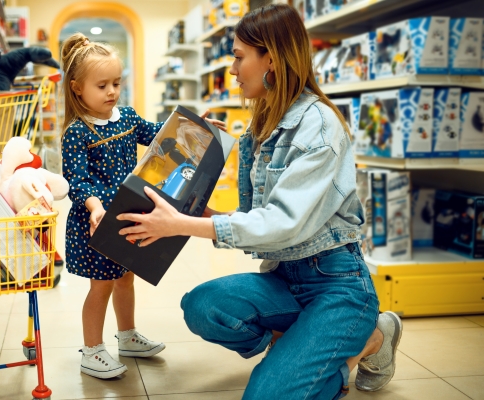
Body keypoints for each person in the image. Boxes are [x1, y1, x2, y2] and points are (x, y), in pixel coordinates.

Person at [116, 4, 402, 399]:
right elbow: (257, 219)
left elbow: (283, 223)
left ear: (272, 57)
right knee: (203, 306)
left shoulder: (318, 127)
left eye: (237, 57)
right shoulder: (261, 128)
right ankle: (299, 341)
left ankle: (369, 339)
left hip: (337, 284)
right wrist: (195, 212)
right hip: (285, 276)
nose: (231, 69)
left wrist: (183, 225)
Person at [59, 32, 225, 380]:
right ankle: (91, 350)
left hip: (126, 213)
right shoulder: (78, 132)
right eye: (101, 85)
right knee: (101, 285)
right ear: (76, 88)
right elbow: (77, 180)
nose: (112, 92)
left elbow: (161, 135)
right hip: (96, 222)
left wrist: (198, 124)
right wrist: (92, 205)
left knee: (125, 277)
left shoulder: (127, 117)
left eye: (116, 83)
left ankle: (127, 336)